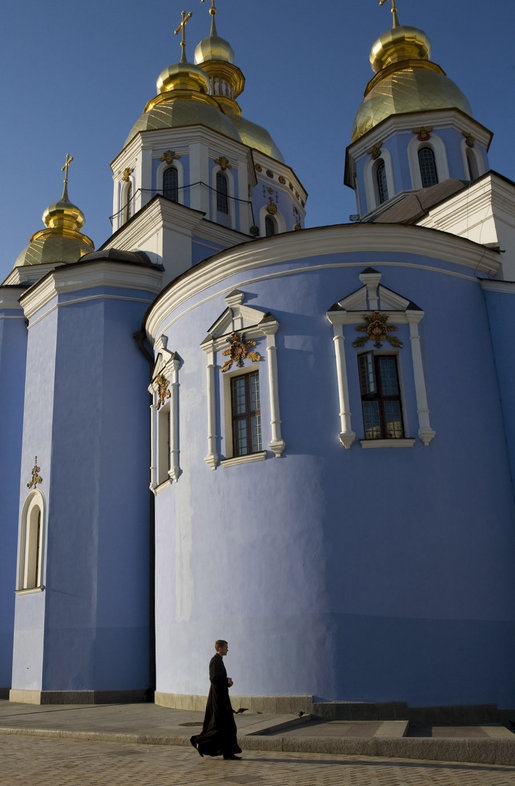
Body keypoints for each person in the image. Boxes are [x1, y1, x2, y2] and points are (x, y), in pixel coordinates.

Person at [190, 640, 242, 760]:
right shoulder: (215, 661)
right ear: (220, 648)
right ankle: (198, 741)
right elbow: (214, 679)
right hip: (218, 701)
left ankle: (228, 753)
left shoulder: (219, 660)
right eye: (226, 647)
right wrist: (226, 681)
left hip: (222, 698)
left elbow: (218, 679)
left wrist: (227, 683)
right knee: (219, 728)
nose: (227, 649)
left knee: (228, 727)